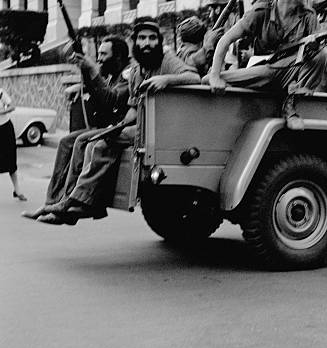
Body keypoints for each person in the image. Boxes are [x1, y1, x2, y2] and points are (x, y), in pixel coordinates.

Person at [36, 18, 200, 225]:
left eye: (151, 38)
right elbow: (132, 110)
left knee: (100, 145)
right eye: (142, 38)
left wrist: (166, 79)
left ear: (159, 41)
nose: (147, 43)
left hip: (162, 128)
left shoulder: (166, 60)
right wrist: (118, 127)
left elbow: (194, 78)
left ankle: (76, 201)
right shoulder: (137, 71)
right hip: (141, 127)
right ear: (135, 42)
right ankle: (71, 202)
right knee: (98, 141)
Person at [22, 35, 130, 220]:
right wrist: (86, 75)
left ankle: (68, 202)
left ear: (118, 56)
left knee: (81, 141)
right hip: (105, 126)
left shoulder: (128, 75)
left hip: (117, 127)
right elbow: (99, 93)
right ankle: (51, 203)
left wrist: (92, 70)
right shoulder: (112, 73)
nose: (100, 58)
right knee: (65, 142)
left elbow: (112, 101)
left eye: (104, 54)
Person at [205, 0, 327, 128]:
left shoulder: (308, 15)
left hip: (292, 73)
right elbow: (225, 39)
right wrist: (215, 75)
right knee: (210, 80)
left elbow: (319, 50)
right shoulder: (262, 11)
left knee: (322, 54)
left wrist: (313, 45)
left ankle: (290, 106)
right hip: (267, 70)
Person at [0, 87, 27, 201]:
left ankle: (17, 190)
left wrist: (1, 111)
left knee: (11, 160)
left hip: (5, 128)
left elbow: (12, 106)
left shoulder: (0, 92)